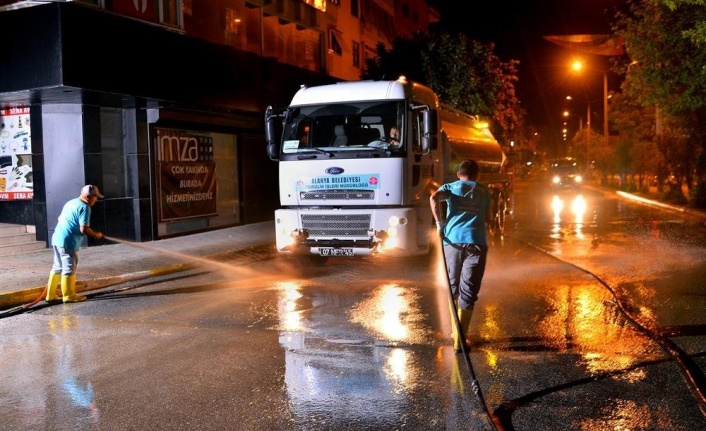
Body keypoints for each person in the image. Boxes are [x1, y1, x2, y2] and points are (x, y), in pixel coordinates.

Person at [429, 160, 492, 352]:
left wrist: (440, 224)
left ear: (458, 174)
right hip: (476, 243)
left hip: (452, 242)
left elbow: (433, 199)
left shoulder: (450, 187)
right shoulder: (484, 191)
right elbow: (488, 216)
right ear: (477, 174)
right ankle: (460, 340)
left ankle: (456, 333)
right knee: (469, 290)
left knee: (452, 286)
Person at [45, 184, 105, 303]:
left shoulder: (71, 202)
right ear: (88, 197)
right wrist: (96, 235)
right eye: (95, 197)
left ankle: (50, 295)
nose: (96, 200)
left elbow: (59, 218)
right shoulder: (85, 207)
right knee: (69, 268)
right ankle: (69, 295)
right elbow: (84, 229)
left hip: (57, 238)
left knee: (57, 267)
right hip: (69, 242)